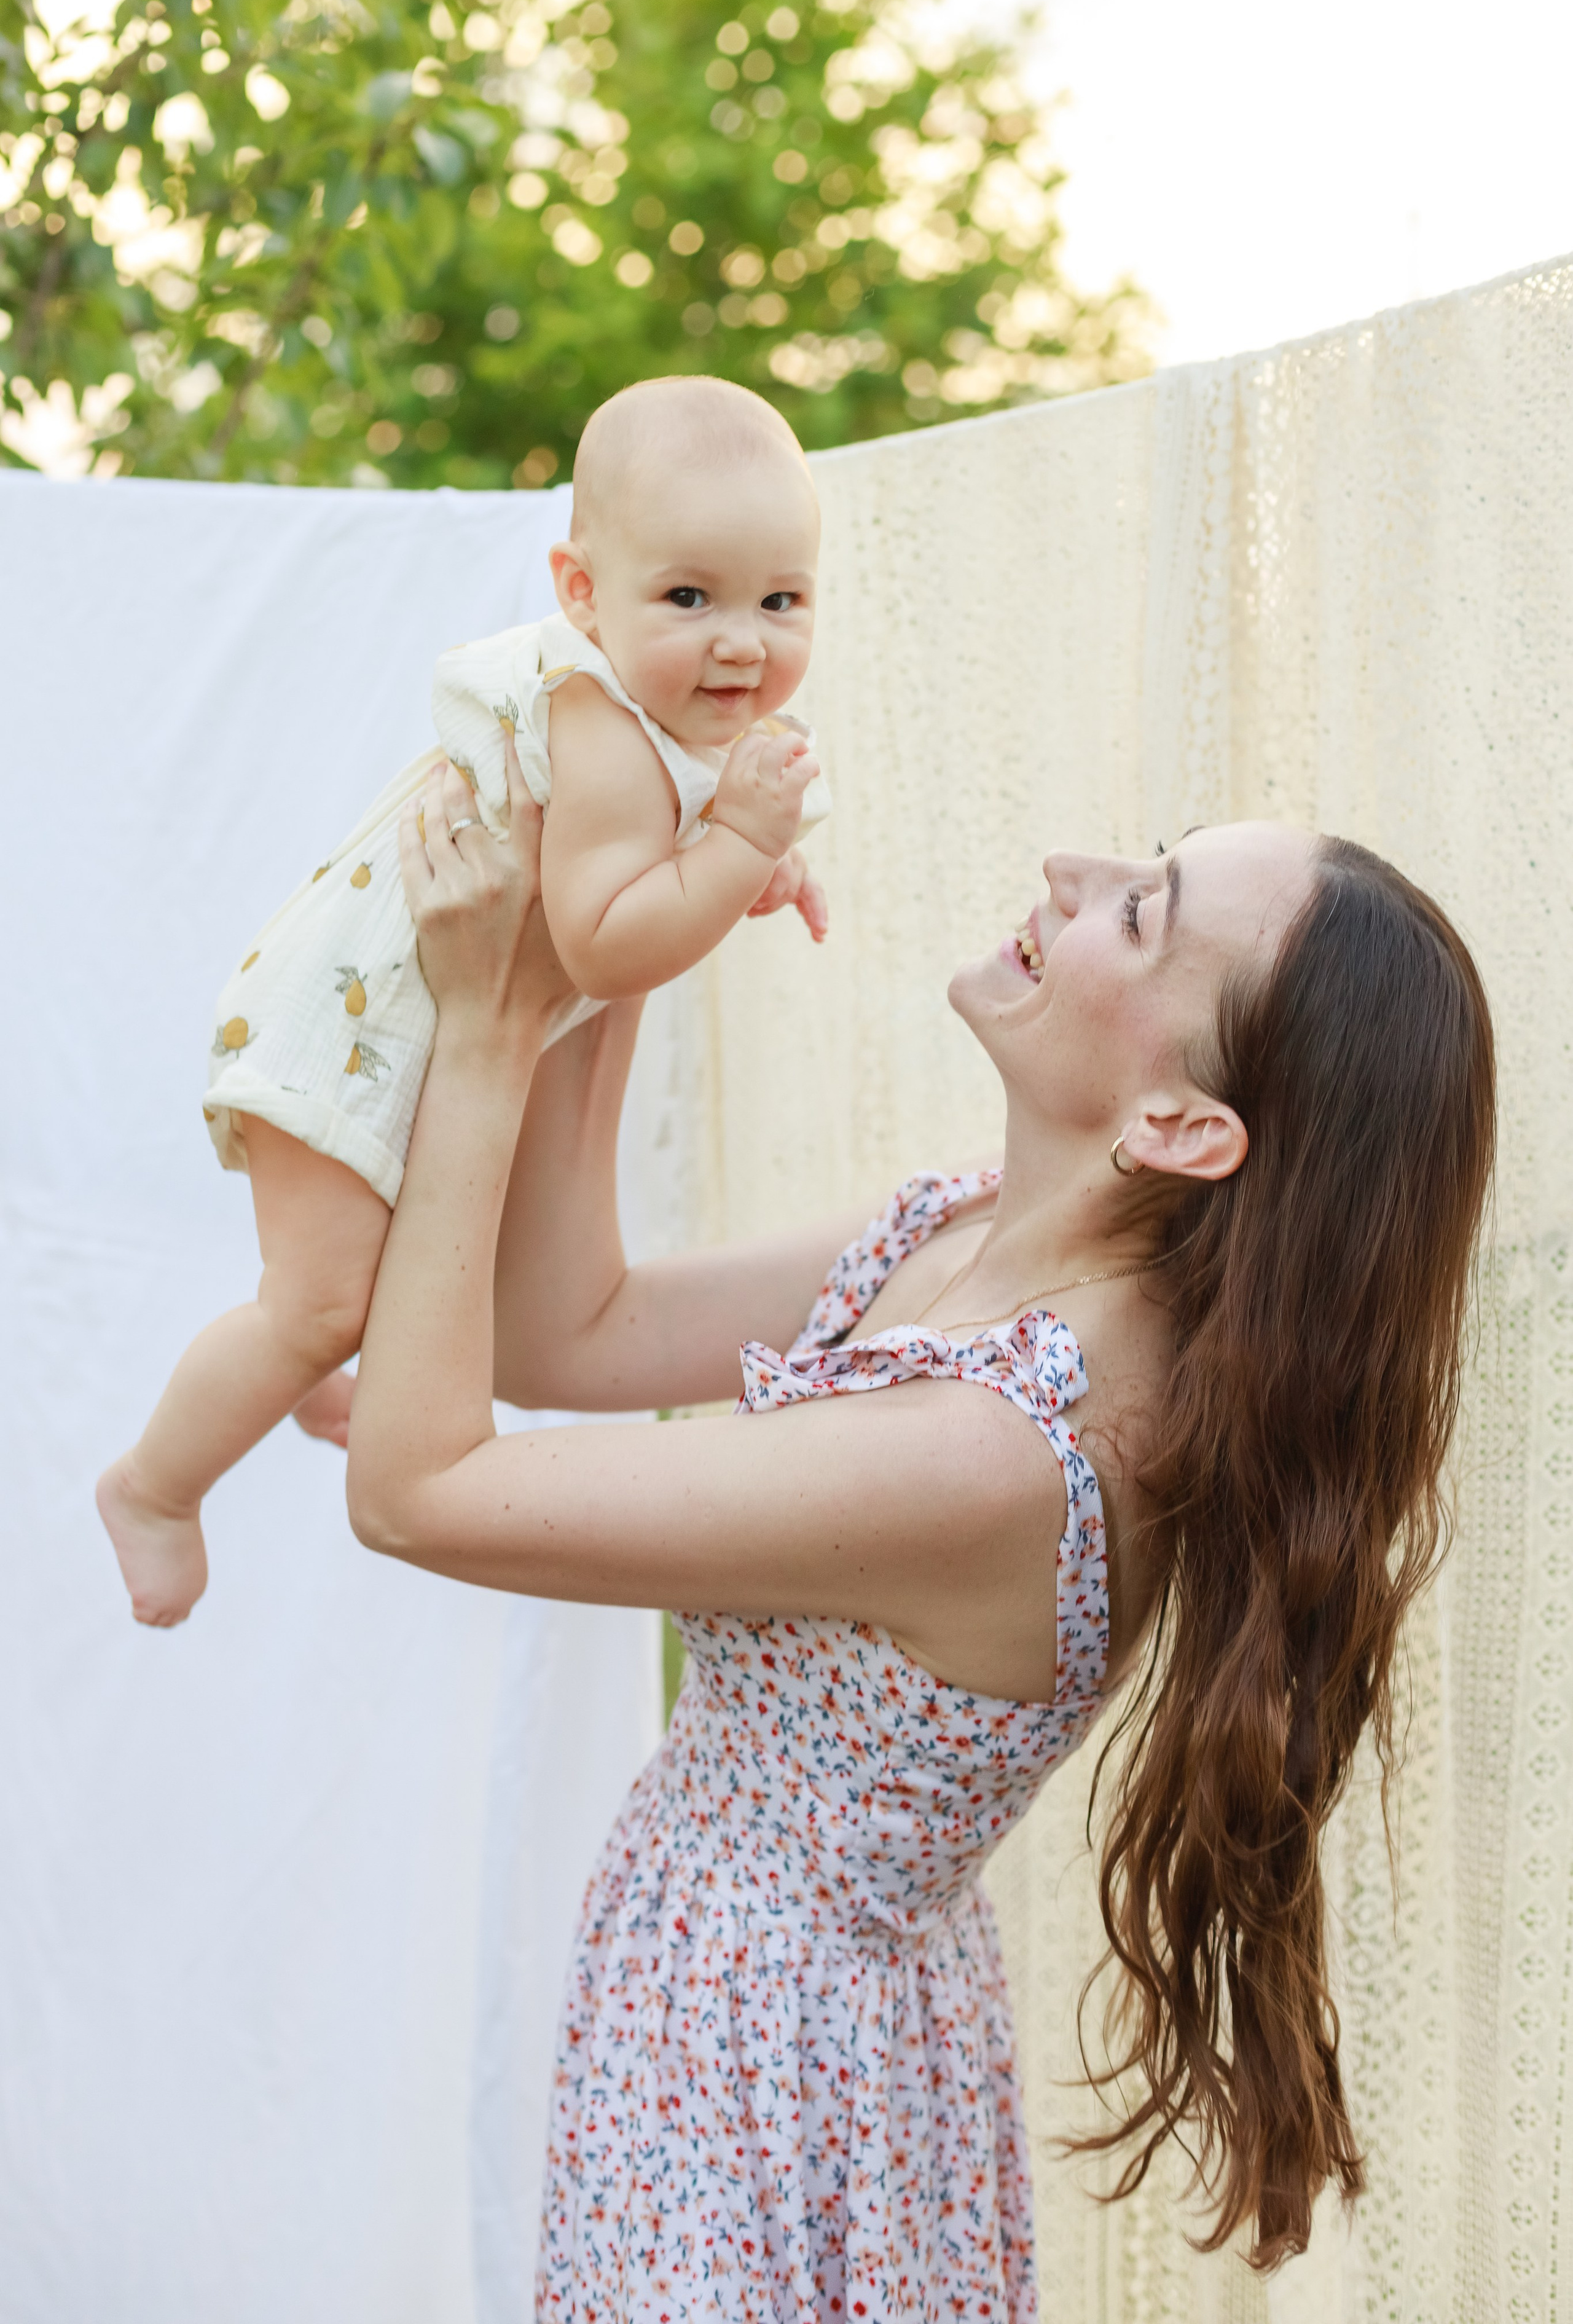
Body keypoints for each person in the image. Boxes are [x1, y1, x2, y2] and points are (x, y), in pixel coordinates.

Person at [345, 755, 1494, 2310]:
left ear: (1177, 1121)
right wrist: (609, 954)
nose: (1072, 868)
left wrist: (487, 1032)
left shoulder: (1001, 1454)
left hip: (759, 2078)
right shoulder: (963, 1239)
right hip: (723, 1998)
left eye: (1140, 911)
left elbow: (417, 1493)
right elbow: (569, 1330)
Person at [97, 375, 828, 1628]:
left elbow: (659, 859)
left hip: (404, 1037)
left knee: (395, 1277)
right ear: (581, 593)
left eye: (780, 600)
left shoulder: (667, 722)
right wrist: (740, 851)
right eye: (688, 597)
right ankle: (154, 1485)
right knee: (314, 1298)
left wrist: (746, 854)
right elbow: (601, 945)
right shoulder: (593, 722)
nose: (739, 641)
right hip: (344, 1039)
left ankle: (324, 1378)